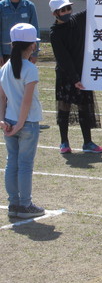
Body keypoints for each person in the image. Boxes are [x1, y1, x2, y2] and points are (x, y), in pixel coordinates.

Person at [49, 0, 102, 154]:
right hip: (66, 76)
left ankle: (88, 142)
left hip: (83, 73)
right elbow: (63, 59)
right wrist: (74, 79)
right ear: (55, 14)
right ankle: (64, 143)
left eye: (68, 8)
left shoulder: (77, 20)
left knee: (84, 108)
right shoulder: (55, 33)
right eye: (62, 10)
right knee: (64, 108)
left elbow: (91, 10)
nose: (67, 12)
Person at [0, 23, 45, 218]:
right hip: (26, 123)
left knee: (12, 163)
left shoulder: (4, 68)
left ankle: (14, 204)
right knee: (25, 165)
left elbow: (2, 98)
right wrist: (19, 124)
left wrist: (2, 120)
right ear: (32, 45)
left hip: (9, 121)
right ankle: (25, 205)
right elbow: (26, 102)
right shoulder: (30, 69)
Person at [0, 0, 40, 65]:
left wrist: (34, 53)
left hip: (26, 52)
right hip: (6, 52)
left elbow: (35, 30)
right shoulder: (1, 6)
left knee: (24, 78)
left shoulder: (29, 6)